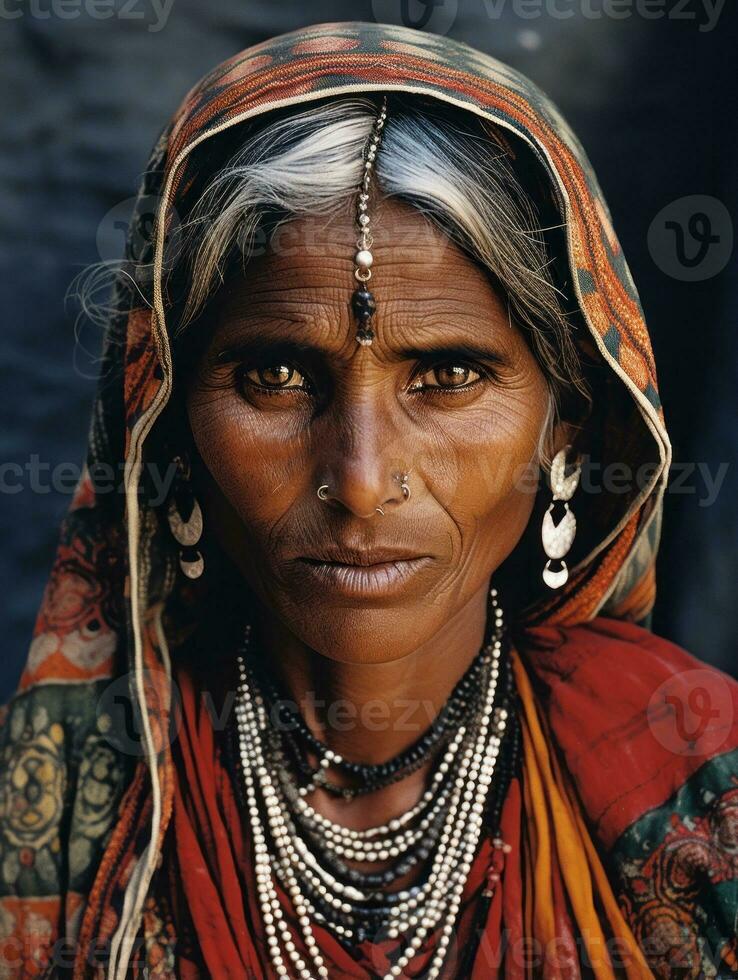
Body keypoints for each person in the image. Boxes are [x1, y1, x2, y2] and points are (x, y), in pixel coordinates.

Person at [1, 20, 736, 980]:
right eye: (273, 374)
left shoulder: (694, 782)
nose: (357, 478)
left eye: (449, 375)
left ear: (568, 423)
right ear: (166, 419)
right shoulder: (59, 823)